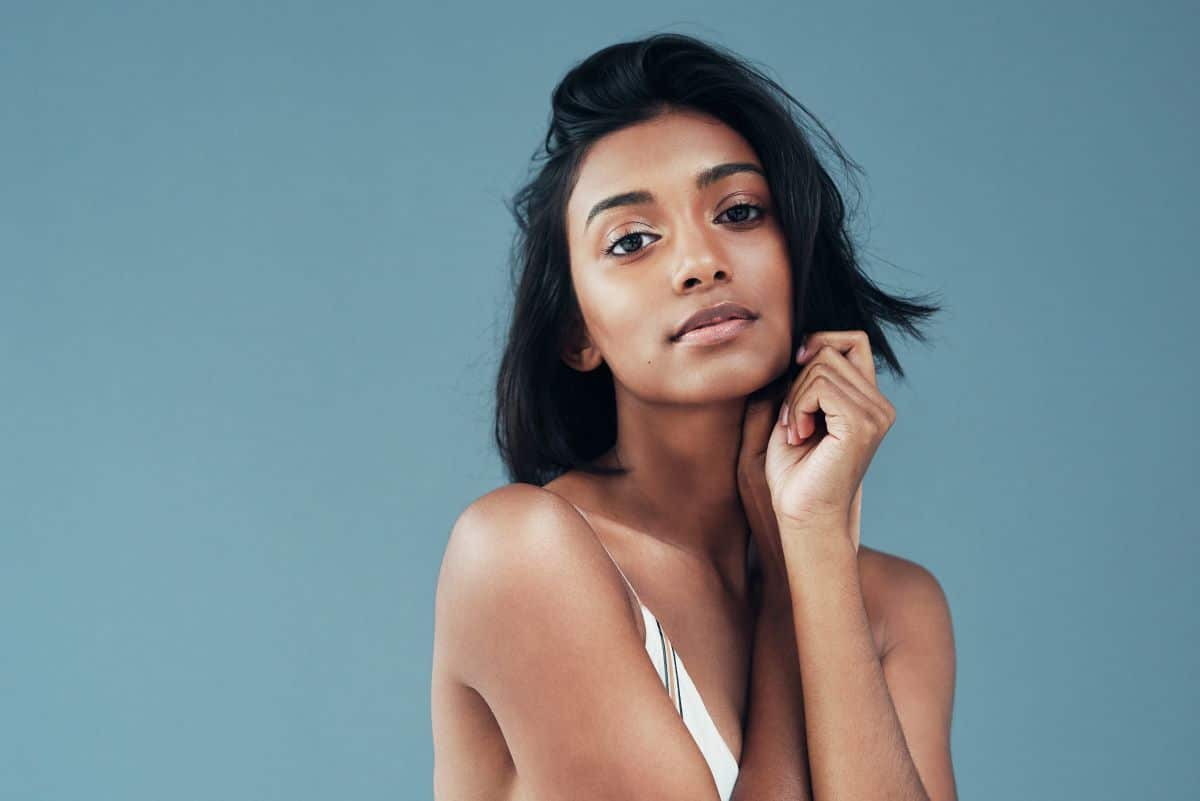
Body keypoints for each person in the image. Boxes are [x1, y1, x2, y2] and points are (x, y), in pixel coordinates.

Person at [432, 32, 957, 801]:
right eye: (632, 240)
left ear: (796, 252)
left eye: (739, 211)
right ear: (576, 332)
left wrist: (815, 546)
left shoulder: (897, 606)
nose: (701, 262)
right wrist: (788, 597)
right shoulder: (519, 552)